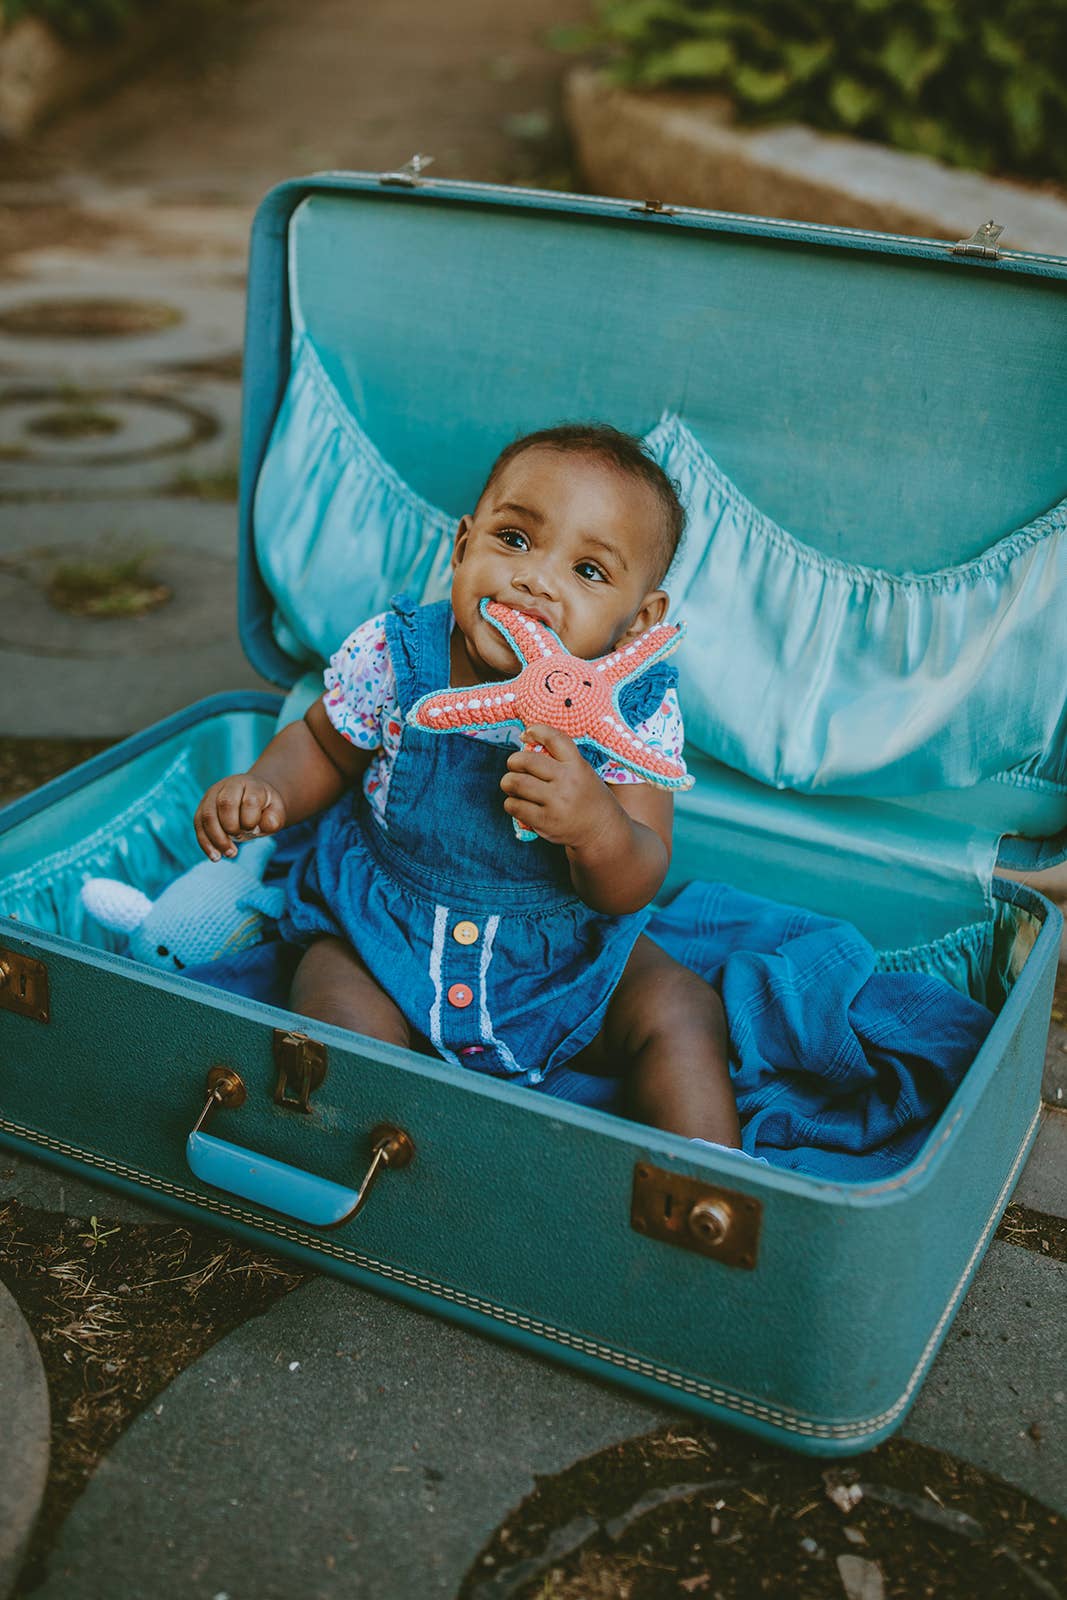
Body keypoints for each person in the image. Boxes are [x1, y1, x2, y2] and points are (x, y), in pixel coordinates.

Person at [194, 423, 740, 1145]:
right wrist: (266, 790)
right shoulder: (396, 656)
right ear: (461, 547)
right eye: (513, 540)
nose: (536, 579)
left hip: (561, 954)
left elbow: (636, 877)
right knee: (333, 1007)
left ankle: (705, 1184)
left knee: (679, 1006)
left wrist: (596, 828)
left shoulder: (630, 712)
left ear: (638, 624)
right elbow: (325, 747)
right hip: (383, 928)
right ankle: (376, 1159)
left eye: (588, 571)